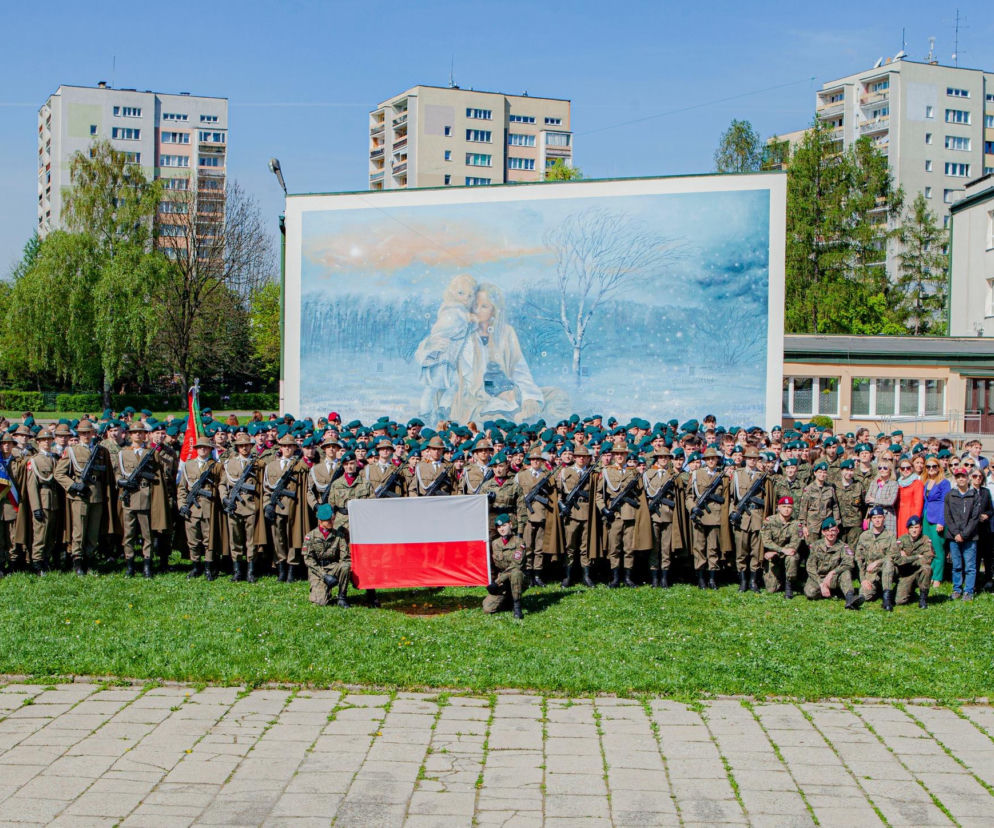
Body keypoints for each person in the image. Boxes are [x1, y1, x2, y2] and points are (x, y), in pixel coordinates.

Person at [54, 421, 115, 577]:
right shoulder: (72, 451)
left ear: (93, 434)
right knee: (79, 531)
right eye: (82, 433)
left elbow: (106, 474)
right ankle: (78, 561)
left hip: (97, 495)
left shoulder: (101, 451)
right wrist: (73, 485)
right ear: (78, 434)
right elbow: (59, 474)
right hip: (80, 496)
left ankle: (89, 559)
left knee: (93, 533)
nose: (86, 436)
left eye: (88, 433)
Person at [261, 434, 309, 582]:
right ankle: (281, 568)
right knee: (278, 539)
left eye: (290, 446)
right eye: (284, 446)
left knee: (294, 538)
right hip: (277, 508)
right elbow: (266, 489)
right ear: (280, 448)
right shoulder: (271, 466)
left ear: (295, 448)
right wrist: (267, 505)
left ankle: (292, 570)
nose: (287, 448)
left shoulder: (300, 466)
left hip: (294, 507)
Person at [117, 422, 160, 578]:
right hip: (129, 496)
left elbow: (157, 474)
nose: (138, 435)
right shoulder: (123, 453)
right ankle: (130, 564)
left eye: (141, 432)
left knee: (146, 533)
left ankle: (147, 564)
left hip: (144, 495)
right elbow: (117, 472)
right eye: (135, 432)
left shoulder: (150, 453)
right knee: (128, 534)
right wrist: (121, 482)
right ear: (130, 434)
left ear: (145, 435)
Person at [219, 433, 262, 583]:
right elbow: (222, 484)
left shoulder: (257, 463)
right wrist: (224, 498)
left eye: (247, 445)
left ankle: (251, 571)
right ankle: (237, 571)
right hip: (234, 505)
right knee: (235, 539)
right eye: (241, 446)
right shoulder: (229, 464)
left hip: (251, 505)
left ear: (251, 446)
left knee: (251, 540)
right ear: (237, 447)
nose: (244, 448)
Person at [176, 437, 220, 581]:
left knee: (208, 540)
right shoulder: (188, 465)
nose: (203, 449)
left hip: (208, 508)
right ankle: (195, 566)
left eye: (206, 447)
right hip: (192, 509)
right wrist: (182, 505)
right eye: (200, 447)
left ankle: (208, 567)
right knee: (193, 540)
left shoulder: (215, 466)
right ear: (196, 449)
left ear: (210, 449)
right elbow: (182, 488)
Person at [516, 447, 556, 586]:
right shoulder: (521, 475)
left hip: (542, 514)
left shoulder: (547, 475)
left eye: (538, 459)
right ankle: (528, 574)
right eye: (533, 459)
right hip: (527, 515)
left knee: (539, 547)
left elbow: (552, 495)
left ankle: (538, 574)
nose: (535, 462)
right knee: (527, 546)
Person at [804, 517, 862, 609]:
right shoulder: (815, 546)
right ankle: (832, 592)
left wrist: (833, 572)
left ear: (837, 531)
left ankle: (850, 598)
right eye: (827, 530)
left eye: (833, 530)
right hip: (819, 577)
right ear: (823, 532)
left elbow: (849, 563)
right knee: (810, 593)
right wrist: (821, 584)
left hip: (834, 578)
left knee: (845, 573)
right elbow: (810, 567)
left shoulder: (844, 546)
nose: (830, 533)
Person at [944, 466, 983, 601]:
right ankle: (957, 589)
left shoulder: (974, 496)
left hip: (970, 537)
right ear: (955, 479)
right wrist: (956, 533)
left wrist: (964, 534)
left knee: (970, 566)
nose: (961, 479)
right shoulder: (950, 495)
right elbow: (947, 516)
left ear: (968, 478)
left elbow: (975, 518)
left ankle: (969, 591)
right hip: (954, 536)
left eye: (963, 476)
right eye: (958, 476)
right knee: (957, 565)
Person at [25, 429, 60, 575]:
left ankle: (46, 559)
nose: (47, 442)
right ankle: (37, 562)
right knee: (40, 534)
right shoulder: (34, 461)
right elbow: (32, 486)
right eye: (43, 440)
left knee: (51, 534)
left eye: (49, 440)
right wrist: (36, 507)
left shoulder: (54, 459)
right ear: (38, 442)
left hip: (53, 501)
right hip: (42, 500)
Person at [302, 503, 351, 608]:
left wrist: (340, 571)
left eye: (332, 520)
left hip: (333, 567)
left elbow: (345, 557)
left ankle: (342, 597)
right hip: (318, 570)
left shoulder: (338, 535)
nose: (331, 522)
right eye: (328, 521)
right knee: (320, 602)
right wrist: (324, 575)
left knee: (345, 566)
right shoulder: (310, 537)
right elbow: (308, 560)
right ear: (320, 521)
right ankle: (325, 590)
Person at [731, 447, 766, 592]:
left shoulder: (762, 476)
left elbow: (766, 498)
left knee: (756, 552)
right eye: (750, 458)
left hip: (757, 517)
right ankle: (743, 581)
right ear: (745, 459)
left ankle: (753, 581)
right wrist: (733, 513)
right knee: (741, 551)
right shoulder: (737, 475)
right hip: (742, 518)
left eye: (755, 458)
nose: (752, 461)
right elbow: (732, 498)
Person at [643, 446, 678, 588]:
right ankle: (654, 577)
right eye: (661, 457)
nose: (663, 459)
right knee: (654, 547)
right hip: (653, 515)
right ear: (657, 458)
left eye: (666, 457)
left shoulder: (672, 475)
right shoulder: (648, 474)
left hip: (667, 514)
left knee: (666, 547)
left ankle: (664, 577)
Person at [855, 505, 899, 610]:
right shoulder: (864, 536)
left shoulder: (890, 535)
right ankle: (871, 593)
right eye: (874, 518)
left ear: (884, 518)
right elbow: (858, 558)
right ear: (870, 520)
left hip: (887, 571)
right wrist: (863, 580)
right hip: (871, 573)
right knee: (865, 593)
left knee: (888, 563)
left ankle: (887, 600)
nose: (877, 520)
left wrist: (877, 562)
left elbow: (894, 554)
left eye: (879, 517)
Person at [483, 513, 526, 619]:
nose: (501, 529)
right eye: (499, 527)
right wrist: (492, 582)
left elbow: (516, 565)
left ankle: (517, 606)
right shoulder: (495, 544)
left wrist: (497, 582)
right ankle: (508, 598)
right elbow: (493, 566)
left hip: (518, 579)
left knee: (515, 573)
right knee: (487, 608)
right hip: (502, 581)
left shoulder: (519, 542)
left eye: (504, 526)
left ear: (510, 525)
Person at [760, 496, 802, 597]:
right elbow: (766, 541)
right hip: (773, 556)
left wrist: (780, 551)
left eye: (789, 507)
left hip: (786, 555)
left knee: (793, 557)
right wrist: (780, 550)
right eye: (784, 506)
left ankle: (789, 585)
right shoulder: (769, 521)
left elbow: (794, 544)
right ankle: (779, 579)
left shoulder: (796, 524)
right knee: (771, 589)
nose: (786, 509)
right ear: (778, 507)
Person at [921, 455, 950, 589]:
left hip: (938, 517)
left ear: (939, 468)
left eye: (934, 466)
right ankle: (930, 575)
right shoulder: (926, 482)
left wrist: (941, 521)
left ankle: (937, 577)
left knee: (938, 548)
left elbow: (945, 502)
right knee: (929, 548)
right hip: (927, 517)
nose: (931, 469)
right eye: (928, 466)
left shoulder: (944, 483)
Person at [893, 516, 934, 609]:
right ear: (908, 529)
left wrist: (907, 559)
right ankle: (910, 592)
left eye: (916, 527)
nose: (914, 530)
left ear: (921, 528)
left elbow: (928, 558)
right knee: (899, 601)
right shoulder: (902, 539)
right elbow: (897, 559)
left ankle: (923, 599)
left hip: (919, 571)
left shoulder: (925, 539)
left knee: (927, 569)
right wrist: (917, 557)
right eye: (911, 528)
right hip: (906, 574)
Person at [864, 461, 898, 535]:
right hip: (874, 515)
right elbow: (867, 499)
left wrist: (874, 500)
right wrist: (881, 501)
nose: (882, 470)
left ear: (890, 470)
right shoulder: (874, 483)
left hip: (887, 516)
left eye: (885, 468)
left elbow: (890, 501)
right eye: (880, 468)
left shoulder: (893, 484)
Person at [895, 458, 924, 538]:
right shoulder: (898, 483)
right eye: (902, 468)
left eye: (908, 468)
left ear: (912, 468)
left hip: (910, 514)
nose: (905, 470)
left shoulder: (917, 483)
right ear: (900, 470)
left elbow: (918, 504)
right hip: (900, 515)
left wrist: (915, 521)